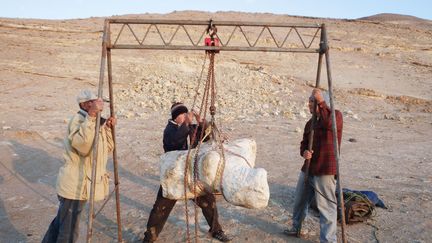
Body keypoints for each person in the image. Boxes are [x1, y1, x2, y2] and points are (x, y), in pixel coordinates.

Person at [143, 102, 231, 243]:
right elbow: (175, 141)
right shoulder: (170, 130)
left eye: (185, 113)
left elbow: (207, 135)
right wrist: (186, 125)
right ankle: (149, 237)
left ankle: (216, 230)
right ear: (176, 117)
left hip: (191, 173)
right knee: (160, 208)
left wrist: (200, 120)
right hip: (174, 174)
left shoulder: (190, 127)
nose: (185, 116)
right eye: (182, 114)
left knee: (209, 202)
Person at [42, 90, 116, 243]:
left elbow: (107, 149)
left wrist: (108, 128)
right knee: (68, 231)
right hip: (75, 184)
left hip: (83, 183)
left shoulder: (96, 122)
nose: (99, 105)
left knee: (63, 222)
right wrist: (91, 117)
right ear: (84, 104)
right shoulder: (79, 120)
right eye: (94, 102)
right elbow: (83, 146)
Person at [285, 88, 343, 243]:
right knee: (299, 200)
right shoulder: (310, 123)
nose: (309, 104)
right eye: (310, 100)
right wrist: (304, 152)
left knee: (326, 207)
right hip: (309, 168)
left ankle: (329, 240)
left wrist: (321, 102)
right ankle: (297, 227)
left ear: (322, 103)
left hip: (324, 169)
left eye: (313, 101)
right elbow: (303, 144)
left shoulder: (335, 116)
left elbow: (329, 124)